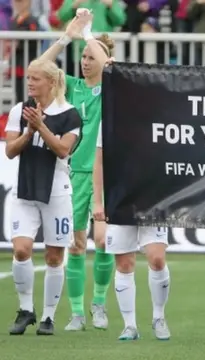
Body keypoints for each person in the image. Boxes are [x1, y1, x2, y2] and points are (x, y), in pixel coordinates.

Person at [38, 10, 115, 331]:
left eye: (90, 56)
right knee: (76, 245)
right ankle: (78, 313)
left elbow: (109, 64)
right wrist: (67, 37)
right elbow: (40, 69)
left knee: (106, 242)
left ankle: (100, 305)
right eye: (82, 57)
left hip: (106, 174)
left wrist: (89, 34)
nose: (85, 61)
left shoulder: (112, 87)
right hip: (74, 174)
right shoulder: (72, 86)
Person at [5, 59, 82, 335]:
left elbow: (63, 150)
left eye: (36, 79)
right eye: (28, 78)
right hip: (25, 190)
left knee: (53, 256)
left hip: (56, 193)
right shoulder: (20, 110)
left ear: (51, 82)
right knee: (22, 249)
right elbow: (10, 151)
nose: (30, 83)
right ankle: (26, 309)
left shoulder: (70, 115)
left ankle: (48, 317)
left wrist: (42, 127)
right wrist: (29, 131)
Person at [93, 120, 171, 340]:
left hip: (154, 198)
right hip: (120, 199)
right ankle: (130, 326)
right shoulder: (111, 116)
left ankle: (159, 317)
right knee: (124, 263)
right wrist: (98, 202)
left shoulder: (159, 111)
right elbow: (99, 162)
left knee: (156, 258)